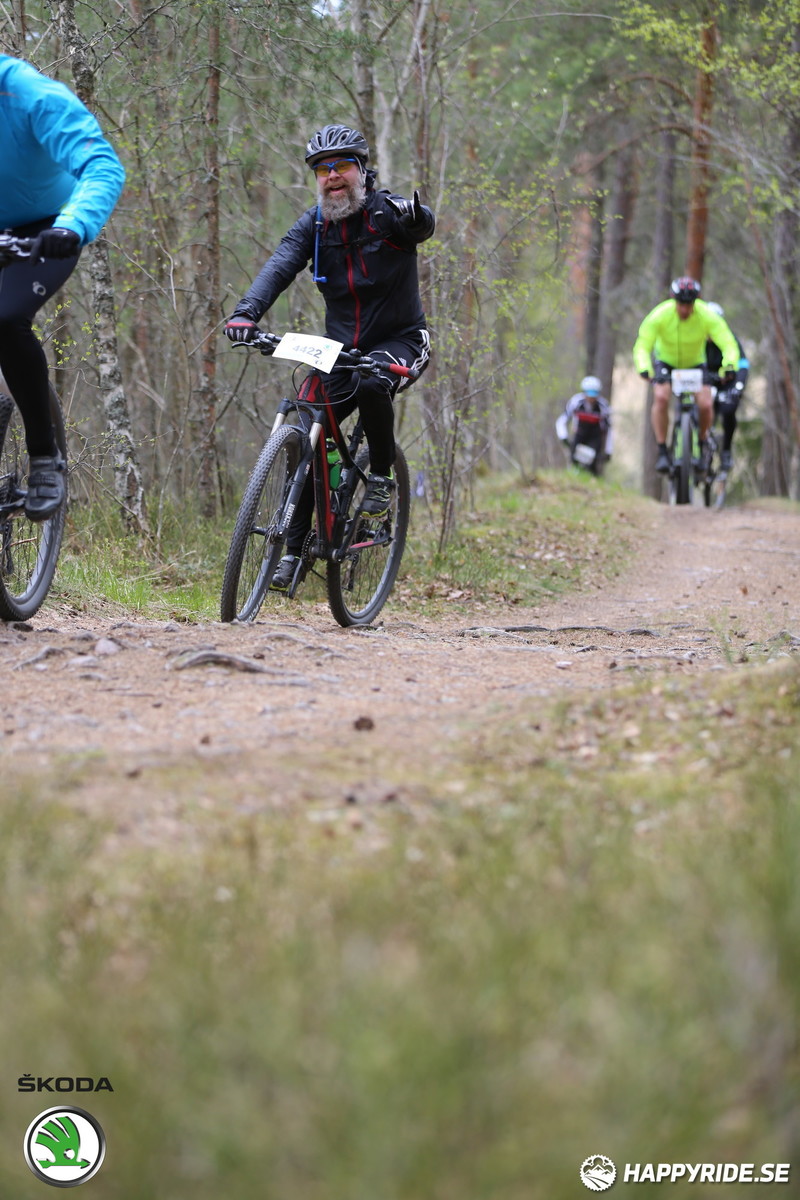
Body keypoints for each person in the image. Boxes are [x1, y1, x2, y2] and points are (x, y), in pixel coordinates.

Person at [225, 123, 434, 591]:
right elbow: (280, 265)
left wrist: (419, 219)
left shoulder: (388, 215)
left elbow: (420, 224)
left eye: (342, 166)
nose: (332, 176)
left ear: (361, 171)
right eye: (323, 169)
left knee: (373, 382)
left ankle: (380, 478)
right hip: (338, 351)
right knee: (303, 425)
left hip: (400, 342)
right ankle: (293, 550)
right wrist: (246, 314)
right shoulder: (314, 226)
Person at [0, 53, 125, 520]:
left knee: (5, 318)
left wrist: (72, 226)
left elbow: (101, 166)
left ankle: (42, 456)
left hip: (45, 229)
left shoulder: (30, 94)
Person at [633, 276, 740, 475]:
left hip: (695, 363)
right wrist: (644, 367)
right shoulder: (660, 314)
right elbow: (642, 344)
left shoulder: (706, 315)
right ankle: (663, 450)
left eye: (689, 304)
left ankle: (700, 442)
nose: (685, 309)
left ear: (695, 302)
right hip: (666, 362)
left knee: (706, 404)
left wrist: (729, 366)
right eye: (681, 304)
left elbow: (728, 343)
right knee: (661, 397)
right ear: (674, 300)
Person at [705, 301, 749, 473]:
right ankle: (699, 448)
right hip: (707, 383)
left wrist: (738, 387)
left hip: (727, 382)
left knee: (728, 410)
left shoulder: (730, 338)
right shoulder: (697, 338)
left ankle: (726, 452)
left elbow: (743, 364)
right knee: (702, 410)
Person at [556, 374, 613, 469]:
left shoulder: (604, 406)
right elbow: (561, 420)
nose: (591, 398)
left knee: (591, 465)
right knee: (574, 463)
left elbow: (609, 430)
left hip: (595, 438)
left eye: (594, 395)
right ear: (584, 392)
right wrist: (563, 437)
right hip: (579, 435)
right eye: (589, 394)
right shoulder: (575, 402)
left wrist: (608, 451)